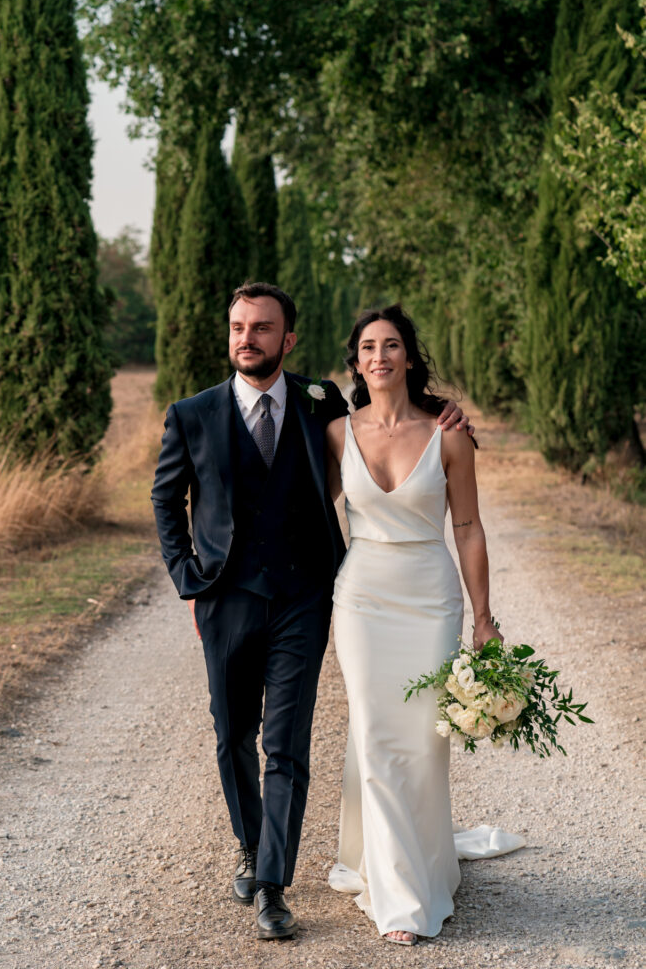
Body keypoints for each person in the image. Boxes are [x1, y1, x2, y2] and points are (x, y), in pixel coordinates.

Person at [151, 283, 471, 940]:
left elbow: (381, 418)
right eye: (239, 326)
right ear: (229, 334)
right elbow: (165, 501)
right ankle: (249, 843)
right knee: (233, 730)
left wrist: (446, 416)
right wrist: (189, 581)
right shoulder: (191, 414)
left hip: (303, 596)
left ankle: (272, 884)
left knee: (286, 742)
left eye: (263, 328)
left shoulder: (317, 400)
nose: (249, 338)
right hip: (224, 598)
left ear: (286, 339)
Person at [325, 305, 523, 946]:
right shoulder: (334, 434)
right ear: (355, 362)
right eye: (367, 348)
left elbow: (466, 527)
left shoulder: (448, 435)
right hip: (361, 600)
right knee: (375, 733)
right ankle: (402, 899)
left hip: (430, 599)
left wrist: (484, 620)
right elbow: (298, 509)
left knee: (420, 738)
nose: (379, 357)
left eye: (391, 346)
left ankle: (424, 861)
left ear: (410, 356)